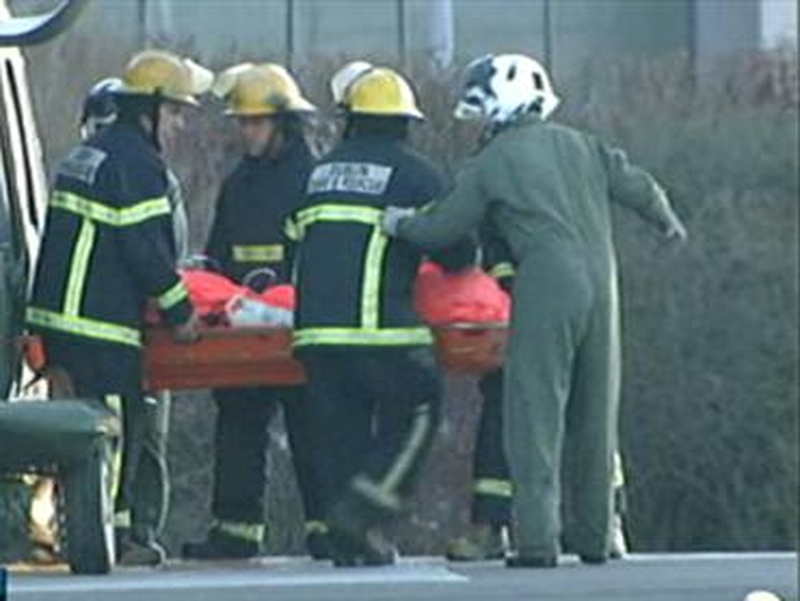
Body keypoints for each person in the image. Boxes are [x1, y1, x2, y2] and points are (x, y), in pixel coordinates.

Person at [384, 53, 686, 567]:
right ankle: (593, 538)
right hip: (603, 283)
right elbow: (640, 187)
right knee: (596, 413)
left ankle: (537, 541)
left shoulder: (493, 162)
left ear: (501, 105)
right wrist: (669, 224)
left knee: (535, 411)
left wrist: (399, 224)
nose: (478, 124)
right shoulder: (584, 144)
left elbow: (444, 227)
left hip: (548, 282)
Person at [27, 49, 210, 566]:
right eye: (175, 113)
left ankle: (90, 532)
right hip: (98, 325)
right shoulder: (140, 166)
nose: (178, 125)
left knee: (79, 432)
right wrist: (182, 315)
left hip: (58, 321)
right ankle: (111, 537)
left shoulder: (94, 154)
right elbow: (148, 252)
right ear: (148, 110)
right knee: (115, 432)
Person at [286, 66, 474, 566]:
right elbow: (458, 249)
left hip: (313, 335)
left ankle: (347, 538)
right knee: (418, 410)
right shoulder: (415, 175)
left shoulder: (317, 173)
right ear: (402, 124)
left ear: (350, 119)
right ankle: (363, 514)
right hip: (378, 330)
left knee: (339, 430)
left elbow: (293, 243)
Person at [182, 63, 327, 560]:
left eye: (255, 123)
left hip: (297, 327)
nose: (247, 132)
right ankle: (234, 531)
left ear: (283, 124)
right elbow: (217, 255)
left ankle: (325, 528)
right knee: (238, 424)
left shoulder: (312, 180)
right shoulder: (238, 184)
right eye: (242, 123)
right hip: (242, 326)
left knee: (312, 428)